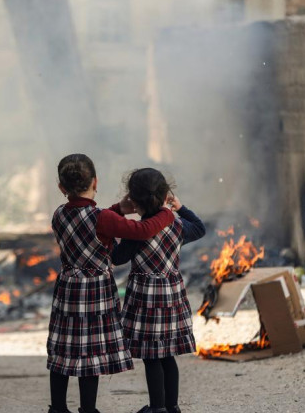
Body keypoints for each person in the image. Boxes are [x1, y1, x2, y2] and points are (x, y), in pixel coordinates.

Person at [47, 154, 175, 413]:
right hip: (95, 292)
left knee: (63, 349)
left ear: (61, 187)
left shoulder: (59, 214)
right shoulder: (103, 218)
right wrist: (166, 214)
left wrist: (118, 208)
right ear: (96, 181)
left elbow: (85, 222)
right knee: (89, 351)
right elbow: (141, 231)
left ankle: (58, 408)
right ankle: (88, 409)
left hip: (68, 289)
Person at [112, 168, 206, 413]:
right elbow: (199, 227)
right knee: (168, 354)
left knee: (152, 356)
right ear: (166, 195)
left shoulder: (135, 232)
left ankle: (157, 408)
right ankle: (172, 407)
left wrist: (111, 233)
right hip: (171, 297)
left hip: (145, 300)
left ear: (133, 200)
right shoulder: (177, 226)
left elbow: (117, 257)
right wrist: (180, 206)